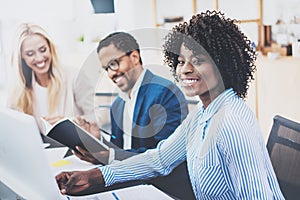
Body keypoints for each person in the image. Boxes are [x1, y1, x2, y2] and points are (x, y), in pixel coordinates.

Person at [56, 11, 285, 199]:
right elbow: (159, 159)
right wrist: (94, 176)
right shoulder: (203, 114)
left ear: (222, 63)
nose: (184, 69)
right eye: (181, 61)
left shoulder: (230, 122)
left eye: (198, 60)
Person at [73, 32, 194, 199]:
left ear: (135, 57)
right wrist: (98, 140)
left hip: (163, 190)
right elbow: (121, 152)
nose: (111, 73)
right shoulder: (118, 104)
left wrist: (109, 155)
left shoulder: (165, 92)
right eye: (106, 68)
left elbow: (163, 158)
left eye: (114, 64)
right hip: (130, 186)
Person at [7, 23, 92, 132]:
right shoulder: (18, 90)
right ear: (22, 57)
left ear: (50, 48)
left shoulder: (74, 77)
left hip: (71, 148)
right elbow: (10, 127)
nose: (39, 58)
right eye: (30, 54)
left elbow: (96, 119)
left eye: (43, 50)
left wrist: (69, 123)